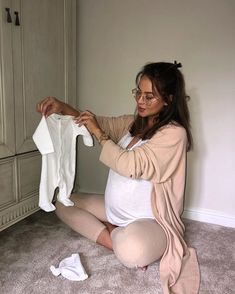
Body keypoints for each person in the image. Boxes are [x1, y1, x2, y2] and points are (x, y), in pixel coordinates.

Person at [36, 61, 200, 294]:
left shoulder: (174, 134)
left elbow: (129, 165)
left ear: (169, 99)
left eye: (149, 96)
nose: (140, 102)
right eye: (138, 93)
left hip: (151, 220)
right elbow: (98, 122)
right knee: (63, 201)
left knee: (132, 251)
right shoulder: (134, 124)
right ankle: (113, 232)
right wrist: (63, 107)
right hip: (114, 210)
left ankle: (121, 235)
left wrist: (100, 134)